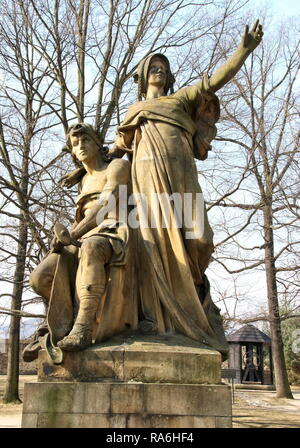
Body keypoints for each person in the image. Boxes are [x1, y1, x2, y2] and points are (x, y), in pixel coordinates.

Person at [109, 21, 263, 360]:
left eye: (164, 68)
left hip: (183, 180)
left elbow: (218, 79)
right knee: (151, 246)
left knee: (200, 240)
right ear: (143, 75)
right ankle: (155, 318)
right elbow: (115, 150)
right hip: (146, 180)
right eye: (154, 67)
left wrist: (243, 51)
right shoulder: (134, 112)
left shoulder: (180, 100)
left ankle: (192, 301)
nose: (160, 71)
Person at [23, 123, 133, 360]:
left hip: (113, 231)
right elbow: (83, 218)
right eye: (75, 144)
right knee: (39, 278)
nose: (80, 146)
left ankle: (83, 327)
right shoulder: (84, 181)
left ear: (97, 144)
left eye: (85, 141)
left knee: (92, 246)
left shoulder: (117, 166)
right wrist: (65, 239)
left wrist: (73, 234)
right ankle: (60, 322)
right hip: (82, 236)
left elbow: (107, 204)